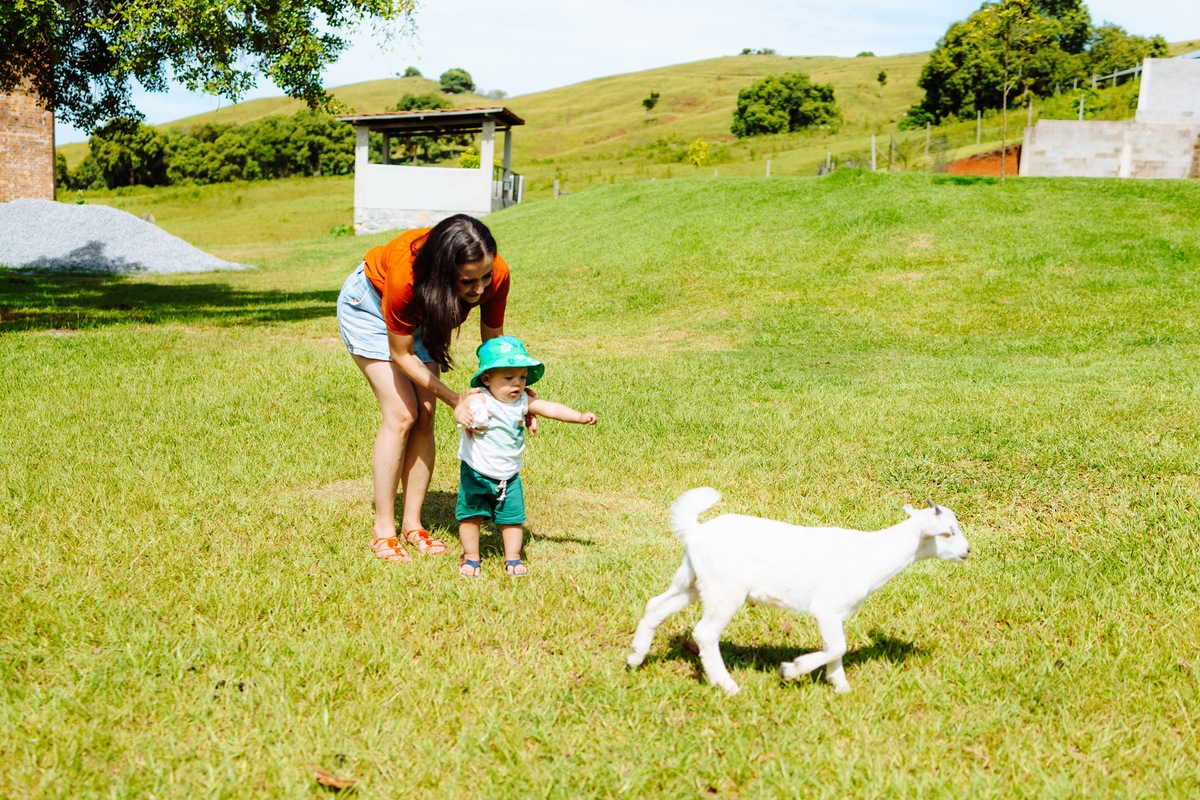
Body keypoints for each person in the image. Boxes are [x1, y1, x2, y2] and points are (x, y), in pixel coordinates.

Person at [336, 214, 510, 563]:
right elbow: (401, 354)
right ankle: (383, 530)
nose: (480, 290)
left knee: (426, 415)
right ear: (444, 272)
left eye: (485, 277)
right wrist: (455, 398)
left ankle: (413, 525)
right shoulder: (406, 277)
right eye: (468, 281)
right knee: (403, 414)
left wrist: (509, 399)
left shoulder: (496, 274)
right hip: (369, 307)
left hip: (427, 310)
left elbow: (493, 344)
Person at [455, 336, 597, 578]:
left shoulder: (523, 400)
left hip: (509, 475)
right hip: (476, 471)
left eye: (522, 377)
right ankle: (471, 556)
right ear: (487, 379)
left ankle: (513, 556)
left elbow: (551, 408)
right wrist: (461, 412)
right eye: (508, 378)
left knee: (512, 519)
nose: (517, 383)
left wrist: (579, 417)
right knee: (471, 516)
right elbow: (463, 404)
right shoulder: (481, 398)